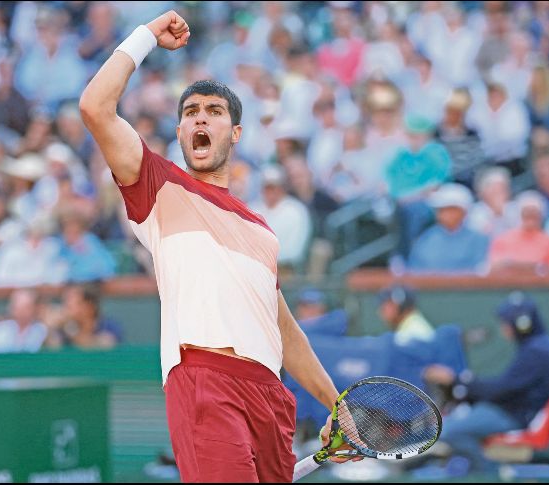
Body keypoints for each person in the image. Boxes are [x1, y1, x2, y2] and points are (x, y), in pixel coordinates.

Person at [79, 11, 353, 482]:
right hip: (204, 377)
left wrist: (340, 409)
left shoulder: (263, 231)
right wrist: (147, 36)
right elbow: (95, 107)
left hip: (271, 393)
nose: (200, 118)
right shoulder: (158, 186)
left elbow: (286, 331)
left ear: (236, 133)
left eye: (214, 112)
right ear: (182, 133)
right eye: (190, 113)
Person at [423, 292, 549, 473]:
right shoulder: (537, 346)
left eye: (507, 322)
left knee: (447, 431)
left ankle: (492, 474)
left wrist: (457, 381)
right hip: (512, 410)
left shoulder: (537, 351)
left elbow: (501, 390)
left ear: (522, 324)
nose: (503, 327)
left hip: (515, 416)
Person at [407, 183, 490, 274]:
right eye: (440, 210)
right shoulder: (426, 239)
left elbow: (481, 271)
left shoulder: (478, 239)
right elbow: (414, 271)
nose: (444, 214)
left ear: (463, 212)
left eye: (450, 209)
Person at [44, 282, 124, 350]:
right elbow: (54, 351)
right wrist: (50, 329)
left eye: (70, 304)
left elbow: (103, 346)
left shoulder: (109, 326)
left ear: (88, 306)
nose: (66, 308)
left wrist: (71, 331)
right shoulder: (64, 329)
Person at [0, 289, 48, 354]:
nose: (21, 311)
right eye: (17, 306)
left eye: (26, 307)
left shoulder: (43, 331)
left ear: (35, 308)